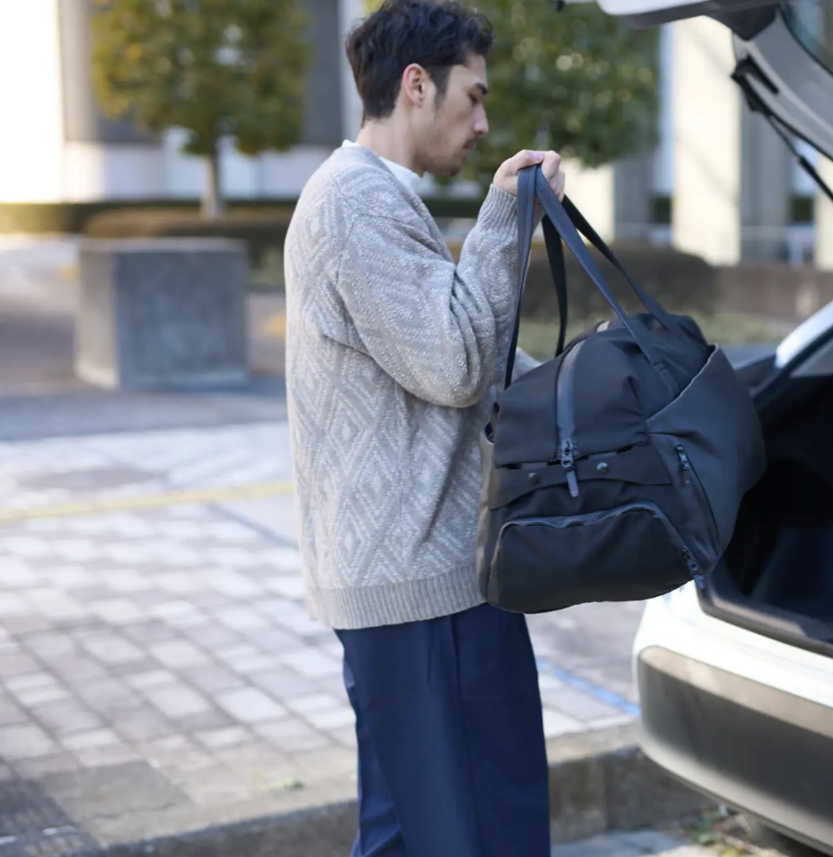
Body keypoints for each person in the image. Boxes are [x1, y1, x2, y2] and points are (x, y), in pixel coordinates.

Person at [282, 2, 564, 855]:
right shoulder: (356, 202)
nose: (482, 125)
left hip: (409, 585)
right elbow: (454, 362)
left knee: (409, 835)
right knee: (483, 830)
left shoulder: (370, 198)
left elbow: (450, 351)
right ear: (416, 85)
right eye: (473, 97)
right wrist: (506, 217)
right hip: (423, 589)